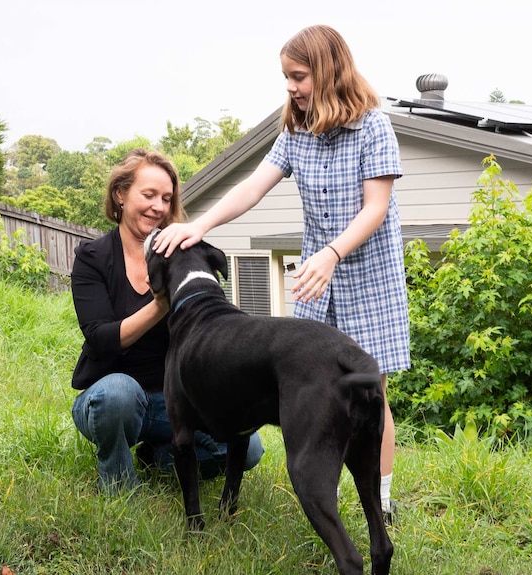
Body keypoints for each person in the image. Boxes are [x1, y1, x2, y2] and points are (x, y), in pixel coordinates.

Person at [153, 25, 407, 524]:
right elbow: (253, 188)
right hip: (318, 273)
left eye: (299, 76)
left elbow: (376, 207)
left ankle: (382, 499)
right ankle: (323, 491)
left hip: (365, 272)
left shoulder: (374, 127)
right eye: (286, 77)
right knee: (312, 383)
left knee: (366, 384)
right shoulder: (295, 131)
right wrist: (198, 225)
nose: (290, 86)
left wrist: (333, 253)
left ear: (329, 71)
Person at [70, 148, 264, 493]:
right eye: (148, 195)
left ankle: (159, 458)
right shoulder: (93, 258)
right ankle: (119, 487)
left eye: (166, 198)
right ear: (120, 194)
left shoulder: (183, 254)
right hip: (111, 398)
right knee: (118, 392)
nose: (158, 207)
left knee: (249, 449)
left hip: (175, 399)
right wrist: (162, 303)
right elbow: (102, 339)